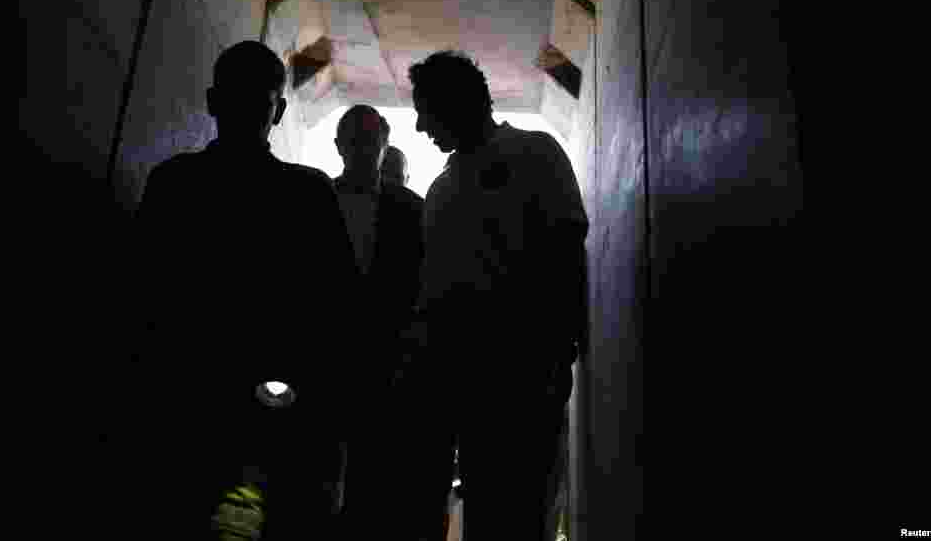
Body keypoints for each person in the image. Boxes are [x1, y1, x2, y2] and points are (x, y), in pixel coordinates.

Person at [133, 40, 359, 539]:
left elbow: (141, 300)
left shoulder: (173, 184)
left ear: (212, 102)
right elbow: (340, 313)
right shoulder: (308, 193)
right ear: (278, 110)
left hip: (179, 414)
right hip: (271, 423)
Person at [404, 50, 589, 540]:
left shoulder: (537, 154)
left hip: (527, 380)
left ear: (456, 102)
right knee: (487, 512)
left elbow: (567, 257)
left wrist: (557, 359)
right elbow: (434, 296)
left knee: (524, 513)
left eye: (425, 110)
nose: (421, 126)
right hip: (465, 389)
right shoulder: (441, 192)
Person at [330, 105, 449, 539]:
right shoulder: (406, 207)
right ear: (340, 146)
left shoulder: (410, 209)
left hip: (383, 365)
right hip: (335, 364)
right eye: (355, 142)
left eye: (371, 143)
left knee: (366, 479)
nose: (363, 151)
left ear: (383, 147)